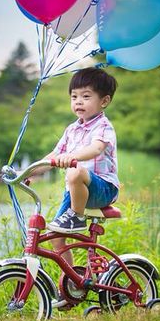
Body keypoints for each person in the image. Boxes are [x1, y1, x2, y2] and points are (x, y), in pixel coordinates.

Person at [41, 67, 119, 266]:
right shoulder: (72, 129)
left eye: (86, 96)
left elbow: (95, 148)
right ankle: (71, 282)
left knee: (74, 171)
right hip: (76, 191)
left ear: (104, 101)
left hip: (102, 188)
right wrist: (29, 172)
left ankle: (76, 217)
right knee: (55, 237)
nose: (78, 101)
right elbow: (53, 156)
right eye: (74, 96)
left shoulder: (103, 126)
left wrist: (71, 156)